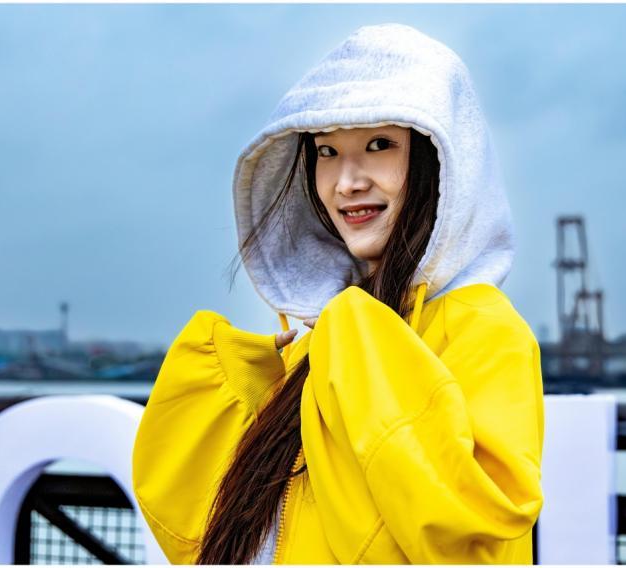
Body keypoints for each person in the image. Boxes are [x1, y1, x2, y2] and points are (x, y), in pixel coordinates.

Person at [132, 23, 544, 564]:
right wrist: (250, 383)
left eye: (379, 145)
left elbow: (471, 538)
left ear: (445, 159)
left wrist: (354, 339)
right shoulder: (323, 336)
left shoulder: (482, 329)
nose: (346, 182)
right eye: (326, 151)